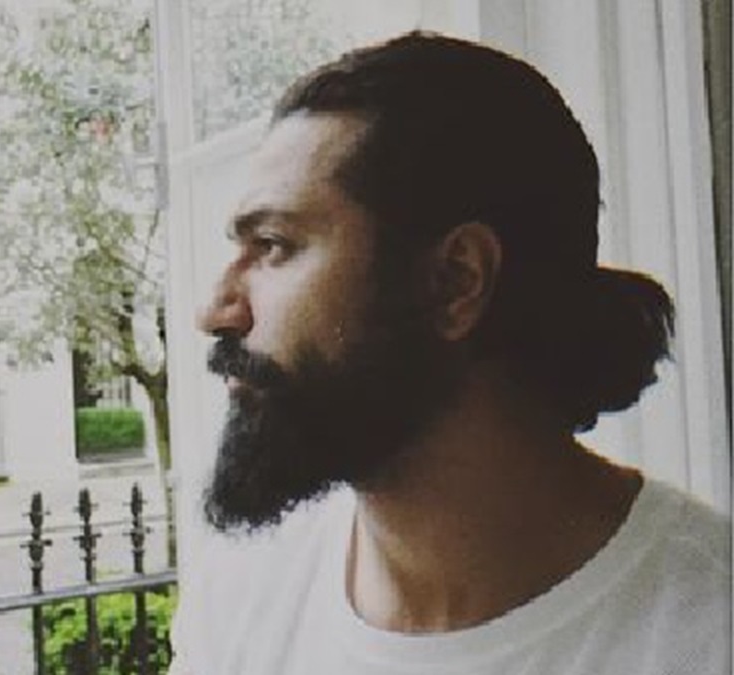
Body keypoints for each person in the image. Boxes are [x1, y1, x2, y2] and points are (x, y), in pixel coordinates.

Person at [168, 32, 730, 674]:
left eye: (273, 245)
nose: (215, 311)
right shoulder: (246, 598)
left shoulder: (705, 636)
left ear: (456, 280)